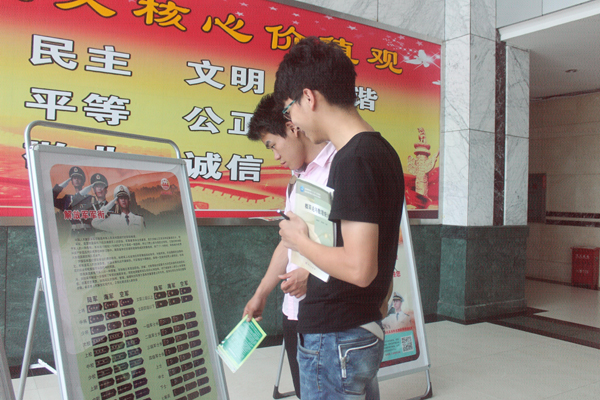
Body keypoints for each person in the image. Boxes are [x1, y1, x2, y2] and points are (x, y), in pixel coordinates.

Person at [274, 37, 405, 400]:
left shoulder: (353, 159)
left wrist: (299, 241)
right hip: (357, 328)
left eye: (289, 109)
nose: (293, 122)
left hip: (335, 336)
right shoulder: (381, 151)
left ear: (308, 98)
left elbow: (359, 268)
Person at [242, 93, 336, 398]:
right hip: (294, 311)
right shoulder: (297, 179)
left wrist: (312, 274)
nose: (275, 156)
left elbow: (355, 244)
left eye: (273, 145)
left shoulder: (340, 166)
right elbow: (287, 244)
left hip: (329, 314)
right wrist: (261, 293)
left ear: (292, 127)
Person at [53, 166, 94, 235]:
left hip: (88, 232)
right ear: (71, 181)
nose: (76, 180)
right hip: (74, 233)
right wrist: (60, 187)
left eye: (79, 178)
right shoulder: (67, 199)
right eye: (74, 178)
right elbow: (51, 200)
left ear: (83, 181)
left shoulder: (90, 198)